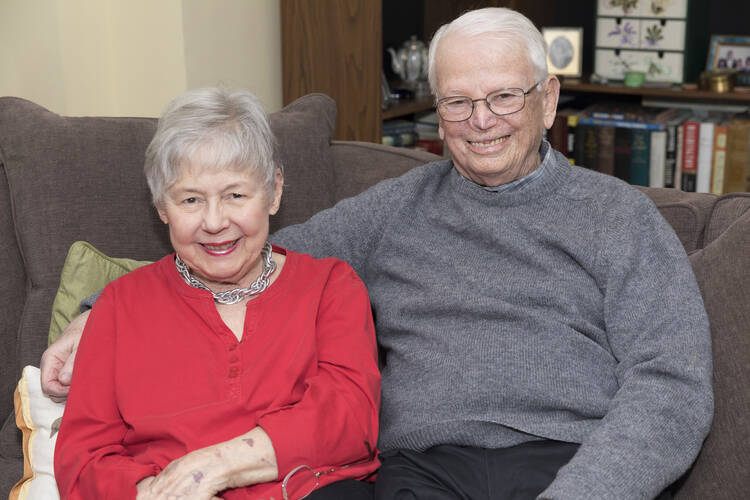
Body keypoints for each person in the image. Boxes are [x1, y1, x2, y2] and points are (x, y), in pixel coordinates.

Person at [43, 7, 713, 500]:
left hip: (568, 465)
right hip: (421, 475)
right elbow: (244, 253)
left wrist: (586, 492)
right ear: (438, 106)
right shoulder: (397, 208)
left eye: (504, 96)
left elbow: (672, 385)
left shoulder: (619, 217)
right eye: (457, 102)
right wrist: (99, 310)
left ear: (548, 100)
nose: (481, 121)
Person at [52, 87, 380, 500]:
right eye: (190, 199)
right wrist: (158, 492)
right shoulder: (119, 306)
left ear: (274, 192)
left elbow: (350, 418)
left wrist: (216, 466)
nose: (214, 222)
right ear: (161, 207)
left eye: (235, 195)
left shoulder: (330, 286)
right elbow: (81, 459)